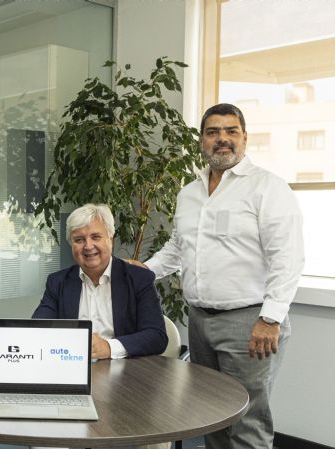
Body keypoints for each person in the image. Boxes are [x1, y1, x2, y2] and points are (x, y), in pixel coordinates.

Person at [132, 103, 304, 449]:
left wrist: (270, 318)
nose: (222, 139)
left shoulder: (267, 188)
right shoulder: (189, 192)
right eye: (213, 132)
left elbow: (287, 258)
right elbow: (178, 247)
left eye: (230, 131)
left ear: (245, 138)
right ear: (201, 140)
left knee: (248, 420)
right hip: (200, 321)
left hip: (250, 322)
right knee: (210, 414)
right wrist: (146, 271)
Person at [32, 203, 169, 449]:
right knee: (46, 438)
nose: (88, 246)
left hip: (129, 384)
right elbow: (37, 329)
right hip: (72, 381)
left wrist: (108, 347)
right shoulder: (58, 282)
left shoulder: (138, 279)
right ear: (71, 245)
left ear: (110, 238)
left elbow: (156, 336)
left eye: (96, 237)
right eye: (79, 239)